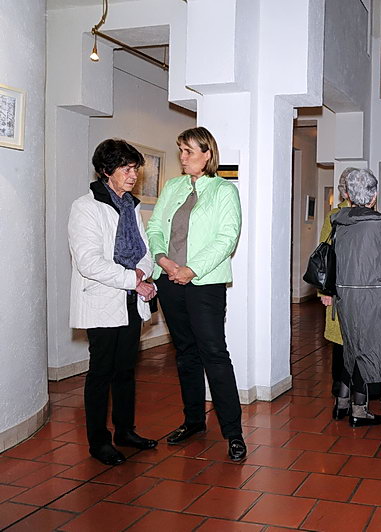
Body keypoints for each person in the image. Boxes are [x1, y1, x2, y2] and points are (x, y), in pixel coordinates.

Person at [146, 127, 246, 461]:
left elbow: (227, 238)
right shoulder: (172, 187)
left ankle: (233, 432)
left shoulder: (223, 190)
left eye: (189, 151)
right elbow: (155, 227)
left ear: (207, 154)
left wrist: (191, 269)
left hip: (204, 284)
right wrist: (162, 259)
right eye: (181, 150)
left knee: (214, 354)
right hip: (169, 281)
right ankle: (193, 422)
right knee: (185, 353)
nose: (183, 157)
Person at [68, 139, 158, 466]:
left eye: (135, 169)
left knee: (125, 370)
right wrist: (133, 279)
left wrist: (142, 273)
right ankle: (98, 442)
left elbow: (144, 252)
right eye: (126, 168)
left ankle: (125, 431)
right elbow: (89, 262)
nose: (133, 175)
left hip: (130, 300)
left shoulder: (130, 206)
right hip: (102, 300)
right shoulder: (86, 207)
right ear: (106, 170)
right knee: (101, 373)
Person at [332, 168, 381, 426]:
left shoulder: (339, 221)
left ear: (348, 194)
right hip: (374, 297)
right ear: (374, 196)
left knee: (350, 348)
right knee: (366, 352)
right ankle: (359, 410)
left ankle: (341, 402)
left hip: (346, 295)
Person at [318, 167, 355, 419]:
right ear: (344, 190)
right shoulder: (333, 216)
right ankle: (339, 395)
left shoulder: (369, 214)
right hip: (338, 289)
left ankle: (358, 393)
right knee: (341, 346)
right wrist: (325, 290)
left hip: (361, 291)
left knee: (358, 345)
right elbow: (324, 254)